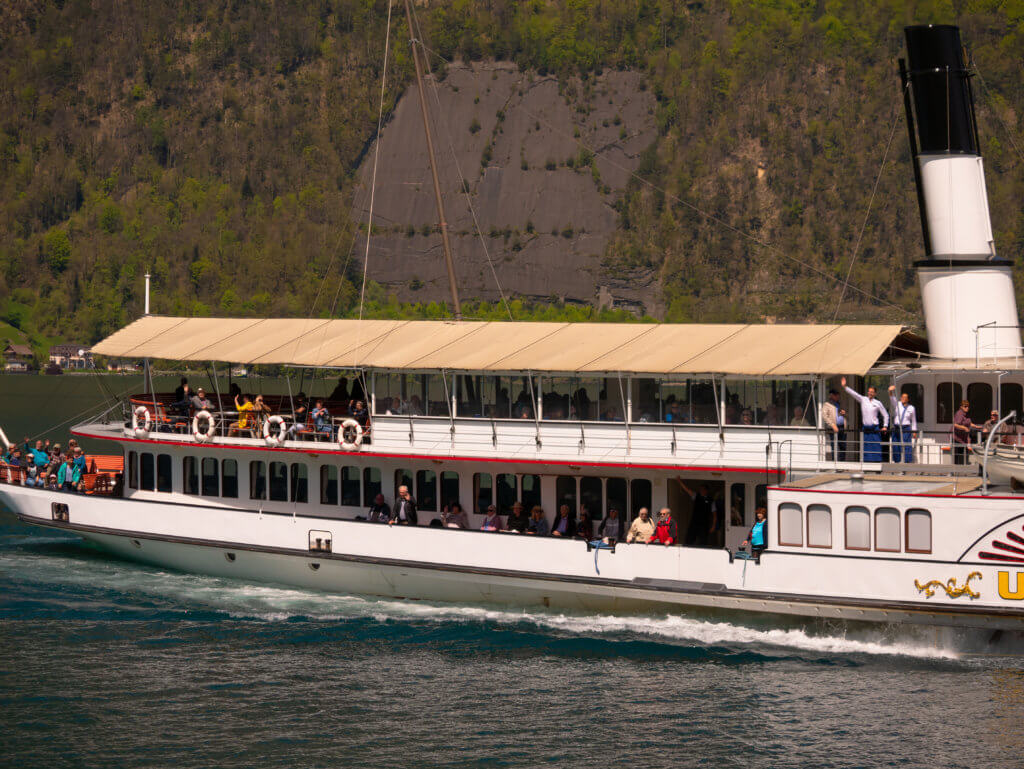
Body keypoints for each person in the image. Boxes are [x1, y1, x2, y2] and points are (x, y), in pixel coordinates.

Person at [841, 376, 889, 462]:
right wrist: (845, 386)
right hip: (866, 429)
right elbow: (854, 394)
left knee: (876, 447)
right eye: (869, 391)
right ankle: (866, 464)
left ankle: (877, 465)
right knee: (866, 447)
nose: (870, 393)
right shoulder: (863, 399)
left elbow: (886, 415)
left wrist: (885, 426)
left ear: (875, 394)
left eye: (872, 392)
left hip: (875, 429)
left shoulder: (878, 403)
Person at [676, 478, 719, 548]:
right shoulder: (696, 496)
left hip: (704, 524)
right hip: (694, 523)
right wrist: (679, 481)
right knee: (689, 540)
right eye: (700, 489)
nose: (701, 491)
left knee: (703, 541)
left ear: (706, 491)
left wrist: (713, 526)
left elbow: (715, 515)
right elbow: (687, 490)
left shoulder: (711, 501)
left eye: (702, 489)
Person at [888, 385, 918, 464]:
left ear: (908, 399)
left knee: (906, 446)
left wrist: (914, 431)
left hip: (906, 428)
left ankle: (906, 462)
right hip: (897, 428)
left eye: (905, 397)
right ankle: (897, 461)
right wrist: (890, 391)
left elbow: (914, 421)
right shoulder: (897, 404)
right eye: (902, 397)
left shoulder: (911, 408)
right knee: (895, 445)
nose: (903, 398)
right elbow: (892, 398)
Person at [821, 389, 847, 461]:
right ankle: (835, 464)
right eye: (836, 395)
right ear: (831, 395)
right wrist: (832, 425)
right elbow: (824, 416)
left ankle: (842, 464)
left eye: (838, 395)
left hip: (842, 427)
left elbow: (845, 416)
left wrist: (844, 414)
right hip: (834, 428)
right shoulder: (827, 404)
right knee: (834, 446)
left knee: (842, 446)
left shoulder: (839, 404)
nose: (838, 396)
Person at [952, 399, 976, 465]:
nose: (967, 408)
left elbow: (968, 423)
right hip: (957, 438)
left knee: (963, 455)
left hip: (963, 439)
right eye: (965, 406)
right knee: (958, 456)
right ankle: (955, 472)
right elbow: (956, 424)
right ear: (961, 407)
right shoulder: (959, 414)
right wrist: (964, 428)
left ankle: (962, 470)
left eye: (968, 406)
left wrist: (976, 426)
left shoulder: (965, 414)